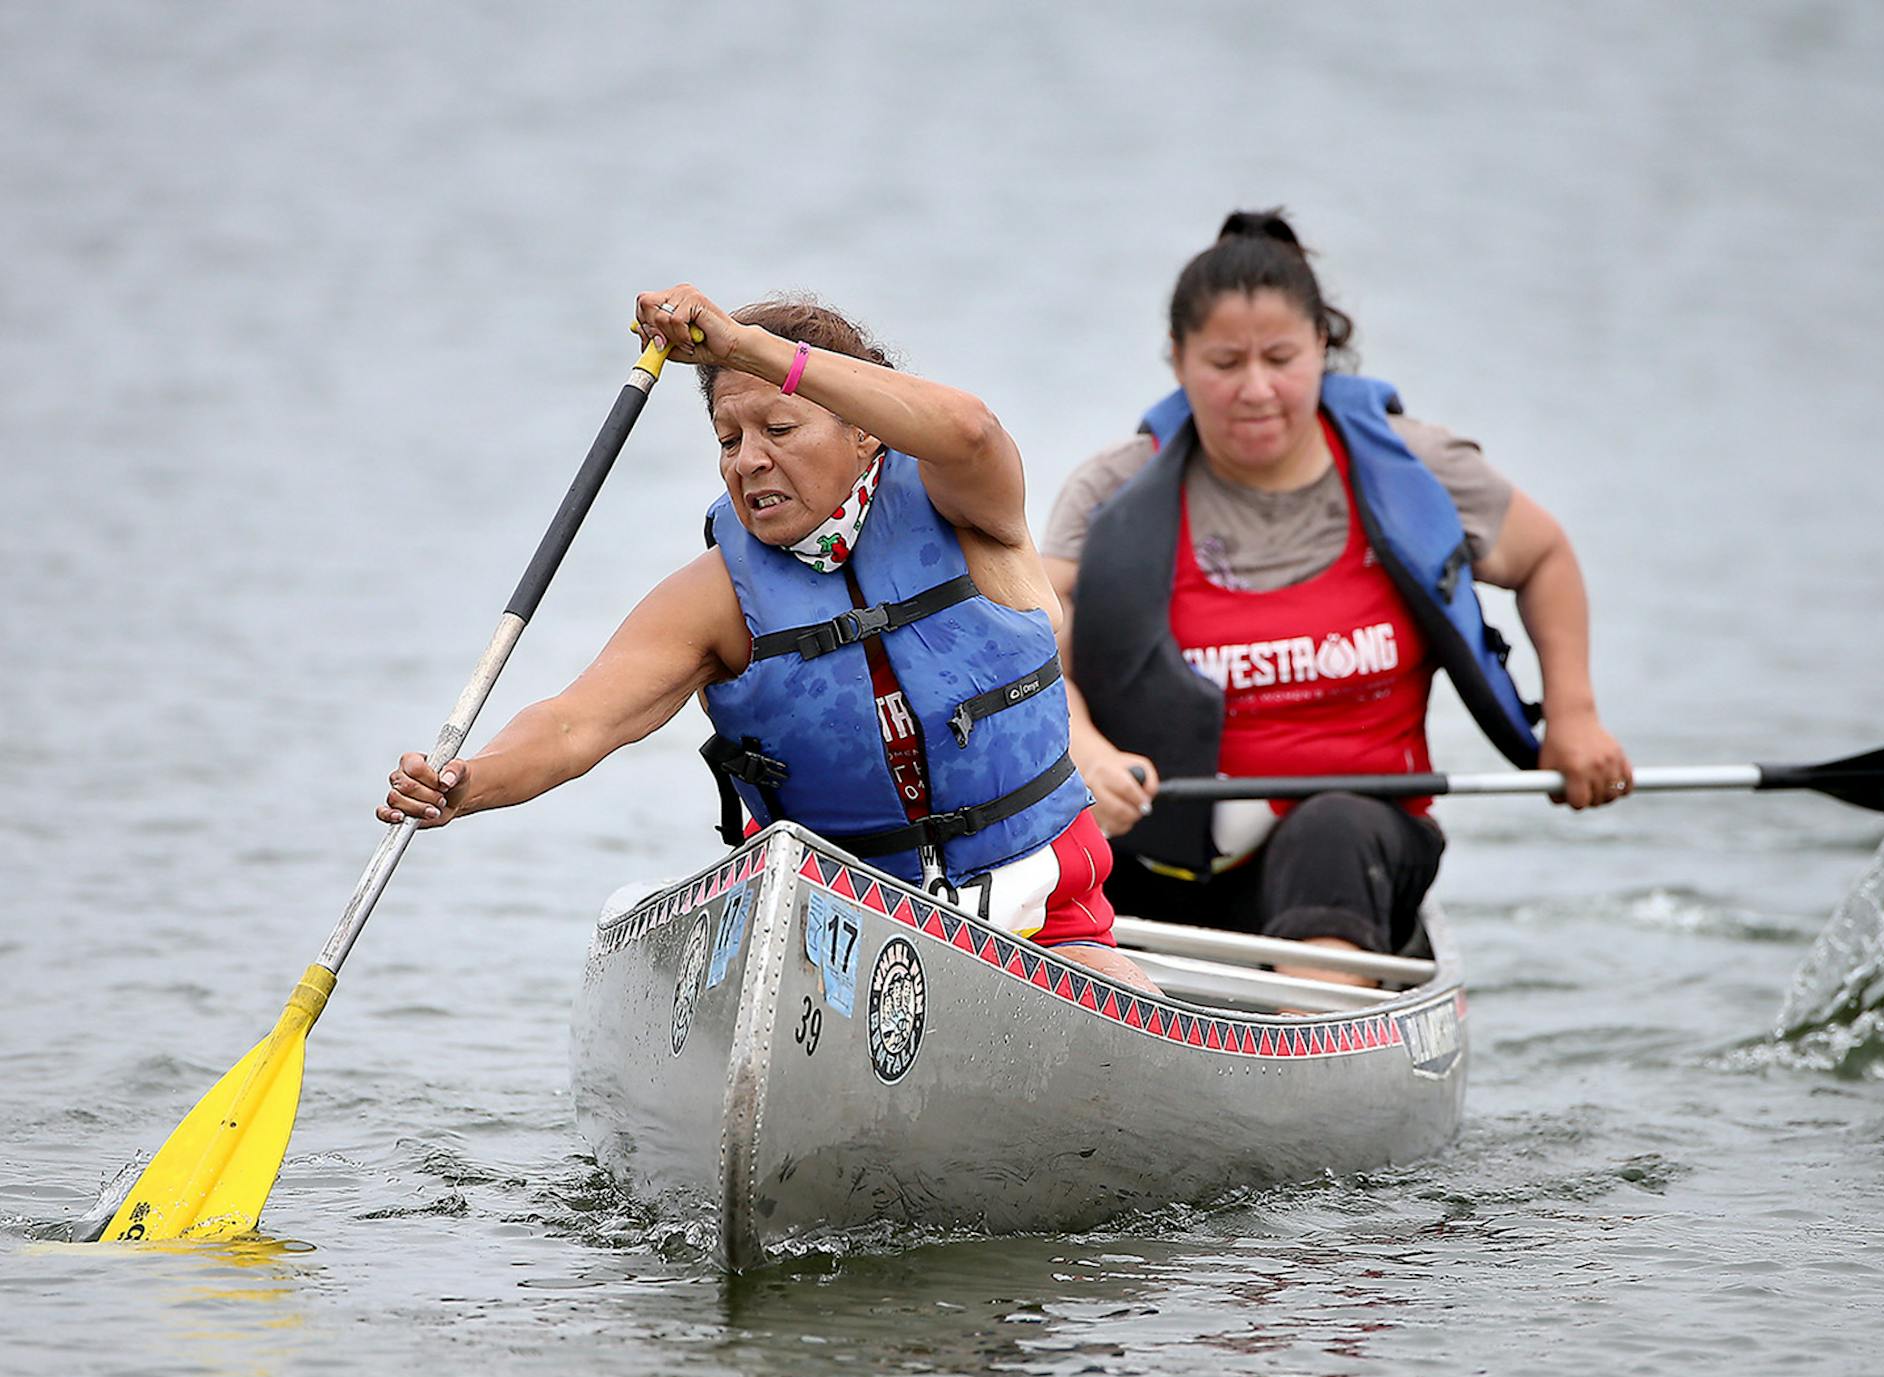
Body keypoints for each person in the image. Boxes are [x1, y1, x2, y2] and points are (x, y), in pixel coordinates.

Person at [380, 285, 1149, 989]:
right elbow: (575, 721)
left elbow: (972, 428)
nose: (749, 459)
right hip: (834, 957)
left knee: (1123, 991)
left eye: (778, 426)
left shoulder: (970, 509)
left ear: (865, 436)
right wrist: (467, 782)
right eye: (727, 437)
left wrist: (741, 346)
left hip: (1047, 934)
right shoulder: (714, 600)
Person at [1042, 210, 1632, 982]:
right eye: (1224, 362)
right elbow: (1027, 631)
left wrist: (1575, 715)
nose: (1256, 389)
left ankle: (1305, 1031)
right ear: (1178, 361)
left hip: (1355, 850)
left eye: (1281, 358)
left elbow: (1545, 555)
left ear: (1324, 348)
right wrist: (1084, 749)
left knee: (1333, 830)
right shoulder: (1110, 492)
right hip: (1154, 849)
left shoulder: (1417, 469)